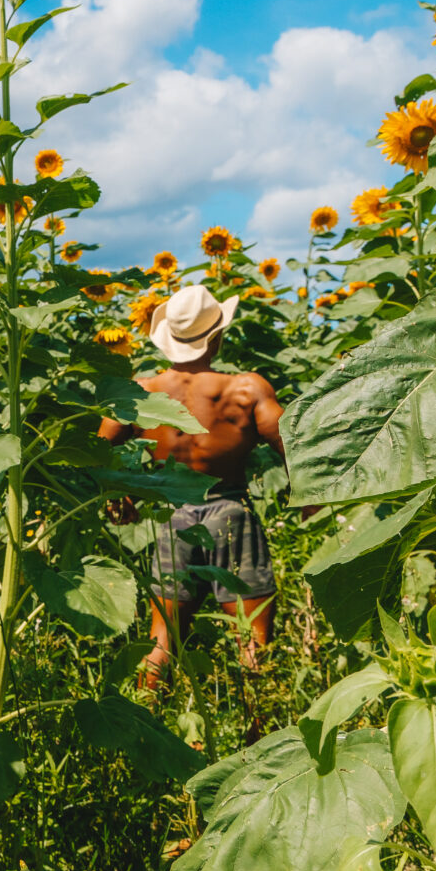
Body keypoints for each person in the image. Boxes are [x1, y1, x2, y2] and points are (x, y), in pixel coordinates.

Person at [97, 284, 285, 687]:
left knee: (161, 641)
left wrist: (121, 490)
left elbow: (97, 449)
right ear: (216, 335)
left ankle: (148, 722)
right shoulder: (246, 388)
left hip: (171, 518)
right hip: (231, 514)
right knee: (251, 641)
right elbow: (294, 442)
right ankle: (256, 732)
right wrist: (310, 497)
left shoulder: (144, 390)